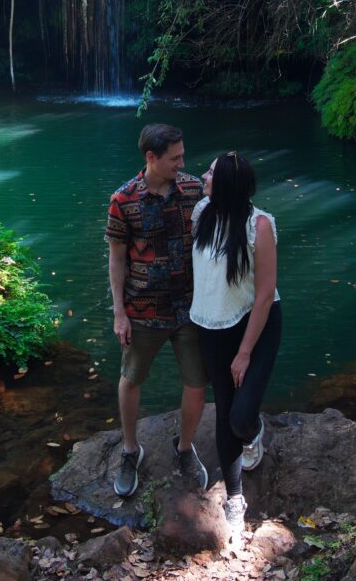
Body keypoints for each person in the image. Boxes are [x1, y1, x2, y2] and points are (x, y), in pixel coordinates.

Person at [106, 123, 209, 497]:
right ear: (151, 157)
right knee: (131, 378)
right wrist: (119, 312)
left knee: (197, 384)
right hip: (143, 308)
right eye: (174, 158)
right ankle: (131, 450)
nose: (182, 163)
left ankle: (184, 449)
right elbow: (117, 259)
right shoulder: (123, 200)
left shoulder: (196, 190)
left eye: (182, 156)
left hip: (191, 308)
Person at [191, 151, 281, 538]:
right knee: (226, 412)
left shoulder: (258, 226)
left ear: (226, 184)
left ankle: (254, 429)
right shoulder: (202, 214)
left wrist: (244, 352)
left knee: (241, 418)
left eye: (210, 173)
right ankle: (235, 498)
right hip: (211, 327)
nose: (203, 176)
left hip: (256, 326)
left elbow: (263, 296)